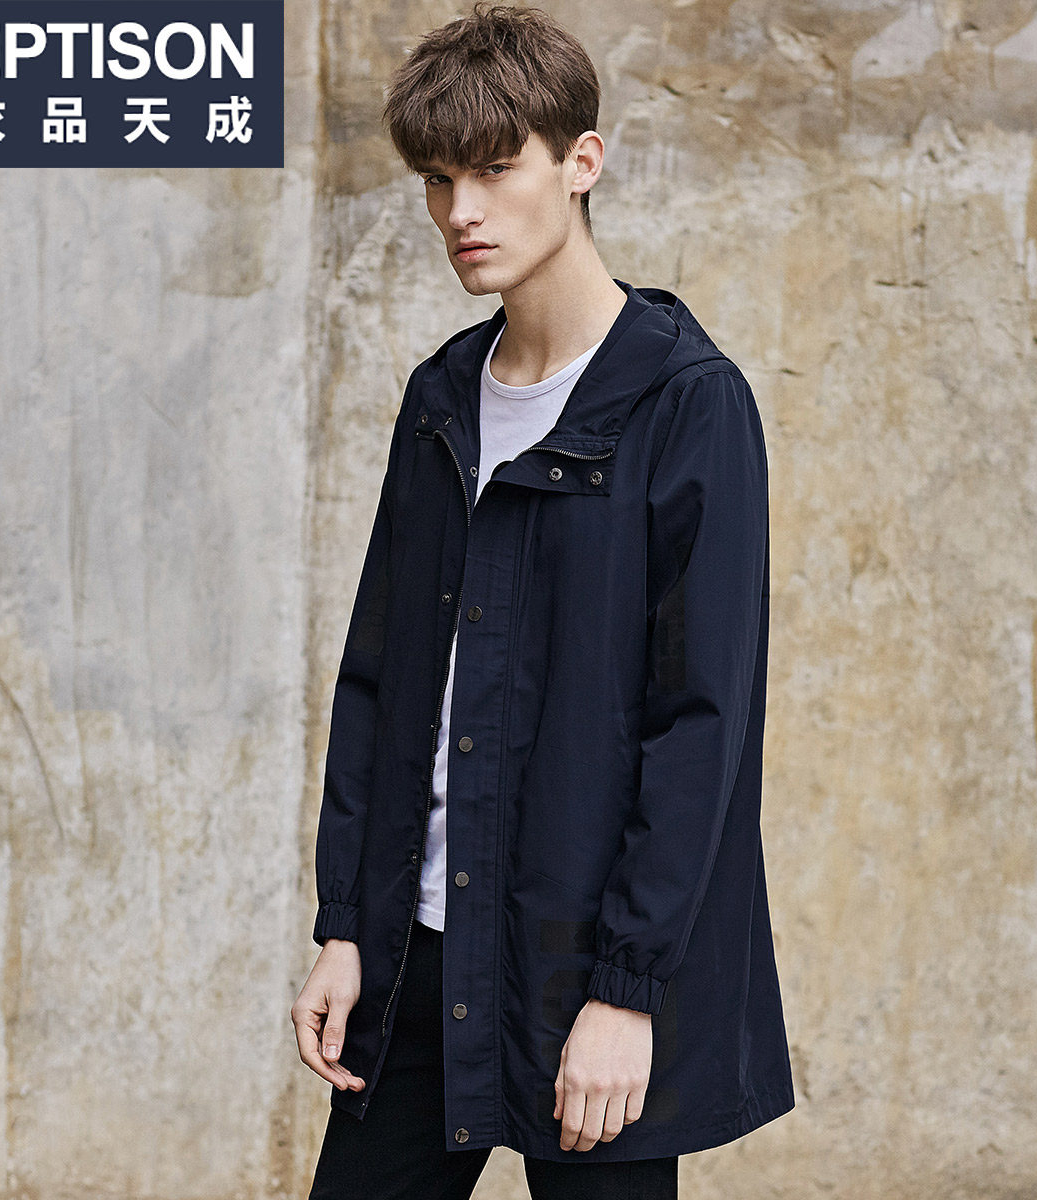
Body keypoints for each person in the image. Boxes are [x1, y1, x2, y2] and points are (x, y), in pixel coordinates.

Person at [291, 5, 795, 1197]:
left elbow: (703, 727)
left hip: (584, 970)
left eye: (495, 169)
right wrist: (348, 925)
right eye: (438, 179)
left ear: (582, 163)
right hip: (419, 958)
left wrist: (629, 991)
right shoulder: (442, 398)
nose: (461, 212)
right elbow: (380, 681)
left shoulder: (687, 404)